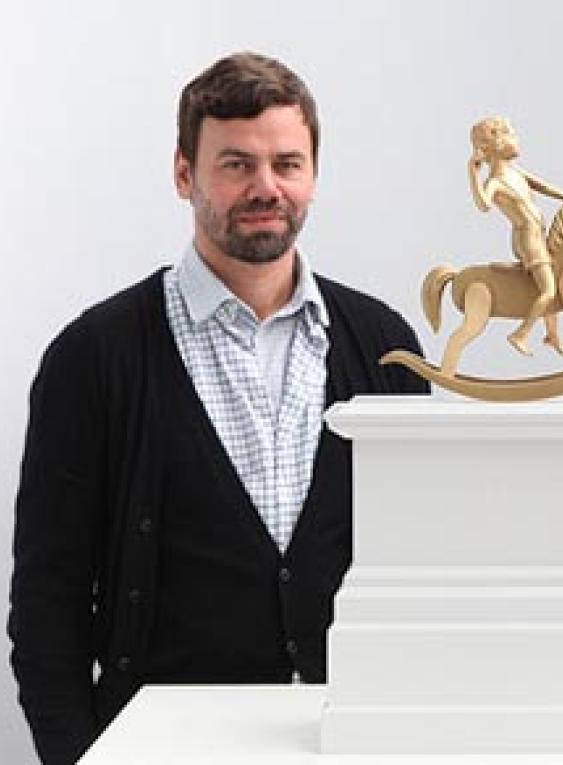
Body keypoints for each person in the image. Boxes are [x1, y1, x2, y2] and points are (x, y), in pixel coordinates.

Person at [8, 52, 427, 765]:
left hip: (353, 740)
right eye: (236, 164)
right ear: (184, 175)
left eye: (287, 164)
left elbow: (421, 572)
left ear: (313, 175)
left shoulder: (386, 348)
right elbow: (48, 606)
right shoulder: (94, 358)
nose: (267, 187)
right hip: (160, 749)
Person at [468, 116, 563, 356]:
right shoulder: (496, 181)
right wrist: (472, 173)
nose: (516, 139)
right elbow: (483, 204)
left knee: (551, 283)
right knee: (549, 291)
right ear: (494, 144)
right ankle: (521, 334)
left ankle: (552, 334)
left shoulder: (515, 172)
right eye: (510, 135)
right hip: (528, 240)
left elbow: (542, 186)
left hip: (537, 235)